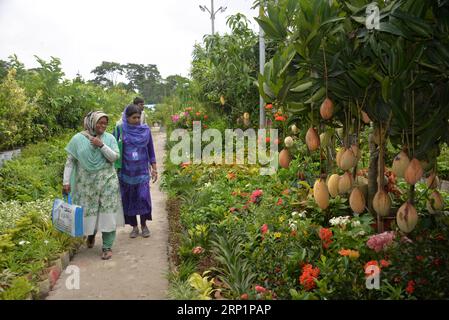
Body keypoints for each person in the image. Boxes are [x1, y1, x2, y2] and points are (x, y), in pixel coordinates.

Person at [62, 111, 124, 260]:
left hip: (108, 182)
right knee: (90, 212)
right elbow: (70, 161)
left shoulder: (109, 138)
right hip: (86, 185)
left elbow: (115, 157)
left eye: (105, 123)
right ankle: (91, 234)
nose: (103, 126)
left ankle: (107, 246)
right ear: (91, 122)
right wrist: (66, 182)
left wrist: (101, 145)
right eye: (99, 122)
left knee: (107, 213)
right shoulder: (77, 139)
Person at [114, 104, 157, 238]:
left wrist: (154, 168)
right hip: (126, 173)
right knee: (129, 200)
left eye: (139, 117)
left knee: (143, 198)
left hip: (142, 172)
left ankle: (144, 225)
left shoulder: (145, 131)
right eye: (134, 118)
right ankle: (134, 227)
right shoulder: (120, 130)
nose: (137, 120)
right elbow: (114, 148)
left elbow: (151, 149)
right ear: (127, 118)